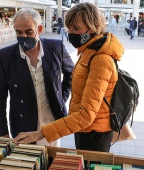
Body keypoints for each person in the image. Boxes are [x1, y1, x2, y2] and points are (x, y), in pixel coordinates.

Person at [13, 2, 124, 153]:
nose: (71, 32)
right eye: (69, 28)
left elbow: (86, 115)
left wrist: (41, 133)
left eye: (76, 28)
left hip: (95, 134)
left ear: (92, 28)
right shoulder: (88, 52)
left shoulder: (100, 60)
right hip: (85, 130)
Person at [0, 8, 74, 147]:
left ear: (39, 29)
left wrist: (60, 98)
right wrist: (2, 133)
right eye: (19, 32)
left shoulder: (56, 48)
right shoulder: (4, 56)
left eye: (29, 31)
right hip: (23, 125)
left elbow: (71, 74)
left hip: (52, 124)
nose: (24, 36)